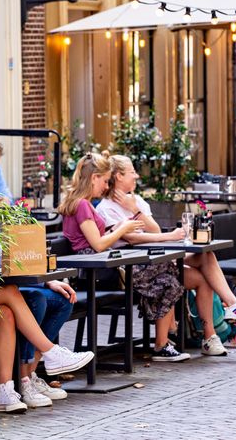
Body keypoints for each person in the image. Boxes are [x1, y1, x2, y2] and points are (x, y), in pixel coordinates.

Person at [96, 154, 236, 356]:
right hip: (136, 266)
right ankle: (221, 320)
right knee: (200, 275)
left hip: (156, 257)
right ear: (119, 176)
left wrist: (135, 210)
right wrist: (170, 236)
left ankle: (220, 324)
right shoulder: (105, 208)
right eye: (132, 172)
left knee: (206, 256)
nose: (137, 176)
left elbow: (154, 230)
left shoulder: (137, 201)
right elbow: (132, 239)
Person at [58, 153, 189, 363]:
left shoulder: (84, 204)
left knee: (170, 278)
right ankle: (162, 332)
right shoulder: (82, 205)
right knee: (169, 270)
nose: (105, 186)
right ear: (94, 178)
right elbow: (98, 245)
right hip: (97, 272)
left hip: (101, 267)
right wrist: (124, 228)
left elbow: (97, 239)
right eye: (104, 181)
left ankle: (161, 335)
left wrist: (118, 227)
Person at [0, 216, 91, 412]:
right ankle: (49, 354)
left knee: (7, 312)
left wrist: (44, 280)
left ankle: (6, 391)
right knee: (17, 294)